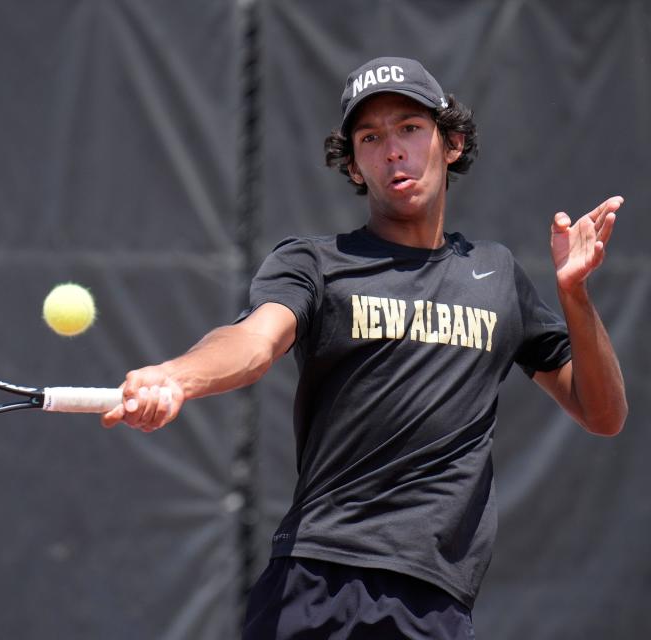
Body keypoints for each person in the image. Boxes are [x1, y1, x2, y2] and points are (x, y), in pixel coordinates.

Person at [101, 56, 627, 639]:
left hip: (435, 599)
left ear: (450, 144)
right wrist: (178, 375)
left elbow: (602, 414)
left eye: (409, 128)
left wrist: (575, 294)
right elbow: (253, 340)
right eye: (370, 138)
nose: (393, 151)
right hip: (315, 580)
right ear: (354, 166)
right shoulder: (314, 264)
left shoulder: (497, 274)